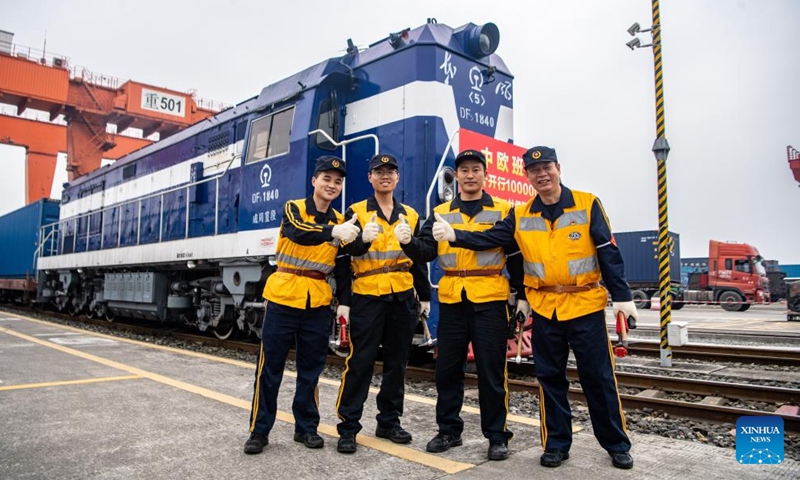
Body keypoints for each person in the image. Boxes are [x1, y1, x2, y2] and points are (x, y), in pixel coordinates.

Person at [432, 146, 639, 470]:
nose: (542, 174)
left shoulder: (587, 203)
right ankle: (556, 444)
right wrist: (455, 235)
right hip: (545, 308)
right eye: (534, 170)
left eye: (547, 168)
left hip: (584, 304)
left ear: (558, 168)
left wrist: (622, 296)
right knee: (550, 378)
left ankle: (615, 443)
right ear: (526, 176)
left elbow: (606, 250)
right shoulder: (521, 214)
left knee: (598, 378)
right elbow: (492, 240)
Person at [412, 149, 524, 461]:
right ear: (457, 176)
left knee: (491, 370)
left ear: (485, 175)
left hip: (489, 296)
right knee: (447, 369)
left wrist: (522, 295)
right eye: (464, 170)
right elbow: (425, 252)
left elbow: (513, 255)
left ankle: (497, 435)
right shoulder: (440, 211)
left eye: (476, 169)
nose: (470, 175)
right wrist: (408, 242)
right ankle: (449, 430)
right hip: (452, 298)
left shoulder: (504, 210)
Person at [244, 156, 360, 454]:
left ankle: (306, 428)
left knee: (311, 369)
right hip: (283, 297)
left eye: (337, 181)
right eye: (326, 179)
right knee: (270, 369)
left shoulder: (340, 221)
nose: (332, 185)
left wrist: (345, 303)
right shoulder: (294, 208)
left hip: (318, 303)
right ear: (314, 181)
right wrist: (333, 233)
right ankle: (259, 431)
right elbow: (297, 232)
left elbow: (344, 268)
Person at [334, 153, 431, 454]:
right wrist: (344, 302)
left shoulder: (411, 215)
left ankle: (389, 422)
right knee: (360, 362)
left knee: (397, 363)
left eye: (390, 171)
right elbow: (342, 258)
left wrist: (425, 294)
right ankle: (348, 427)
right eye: (379, 171)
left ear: (397, 177)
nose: (385, 176)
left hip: (402, 295)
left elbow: (418, 259)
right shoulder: (357, 211)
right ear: (370, 178)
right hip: (367, 296)